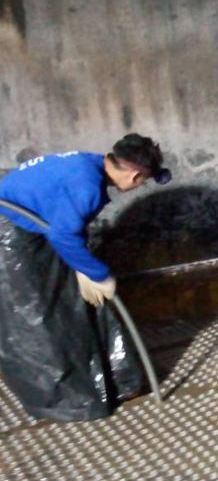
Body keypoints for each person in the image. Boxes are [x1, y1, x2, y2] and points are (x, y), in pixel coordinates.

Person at [0, 134, 170, 422]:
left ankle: (113, 380)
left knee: (74, 301)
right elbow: (63, 234)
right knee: (38, 315)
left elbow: (65, 228)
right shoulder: (86, 185)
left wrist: (83, 266)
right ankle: (66, 400)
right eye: (144, 181)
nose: (140, 186)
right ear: (136, 174)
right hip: (10, 233)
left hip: (33, 226)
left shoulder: (91, 164)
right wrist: (97, 274)